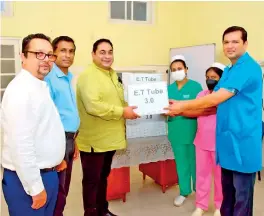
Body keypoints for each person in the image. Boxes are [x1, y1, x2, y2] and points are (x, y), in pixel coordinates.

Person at [165, 26, 262, 216]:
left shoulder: (248, 68)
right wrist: (182, 107)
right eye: (226, 42)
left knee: (242, 198)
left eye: (235, 41)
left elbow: (216, 99)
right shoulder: (229, 71)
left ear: (246, 44)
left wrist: (183, 106)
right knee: (228, 195)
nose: (230, 46)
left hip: (242, 141)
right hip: (226, 141)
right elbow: (212, 103)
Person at [1, 33, 66, 216]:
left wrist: (56, 158)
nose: (46, 60)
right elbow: (21, 146)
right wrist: (35, 187)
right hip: (27, 180)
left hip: (47, 173)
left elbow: (43, 129)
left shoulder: (39, 85)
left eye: (49, 55)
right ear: (23, 56)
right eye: (39, 54)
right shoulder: (20, 91)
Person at [76, 38, 139, 216]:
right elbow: (93, 105)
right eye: (102, 52)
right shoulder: (89, 76)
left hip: (109, 138)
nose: (107, 56)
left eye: (110, 52)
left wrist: (133, 107)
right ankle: (91, 213)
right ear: (93, 54)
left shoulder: (111, 74)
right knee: (91, 181)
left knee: (102, 178)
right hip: (94, 140)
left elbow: (118, 100)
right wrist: (122, 112)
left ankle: (102, 210)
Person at [44, 36, 80, 216]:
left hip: (69, 139)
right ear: (54, 53)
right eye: (63, 50)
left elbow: (68, 114)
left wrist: (74, 141)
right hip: (58, 140)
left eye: (71, 51)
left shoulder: (67, 77)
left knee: (63, 188)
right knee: (58, 189)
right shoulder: (50, 78)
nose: (68, 55)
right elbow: (49, 118)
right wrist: (60, 148)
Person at [189, 63, 225, 216]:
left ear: (221, 79)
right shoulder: (201, 95)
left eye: (214, 77)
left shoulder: (225, 96)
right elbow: (196, 110)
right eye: (208, 77)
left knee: (220, 178)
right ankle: (201, 205)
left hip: (219, 144)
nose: (210, 80)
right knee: (202, 176)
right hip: (201, 142)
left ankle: (219, 206)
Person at [167, 55, 203, 206]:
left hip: (194, 131)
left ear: (186, 70)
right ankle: (184, 191)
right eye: (174, 70)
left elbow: (201, 108)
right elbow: (164, 109)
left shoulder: (196, 87)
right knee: (181, 163)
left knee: (196, 164)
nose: (177, 72)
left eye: (179, 68)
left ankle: (200, 191)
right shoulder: (168, 89)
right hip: (176, 131)